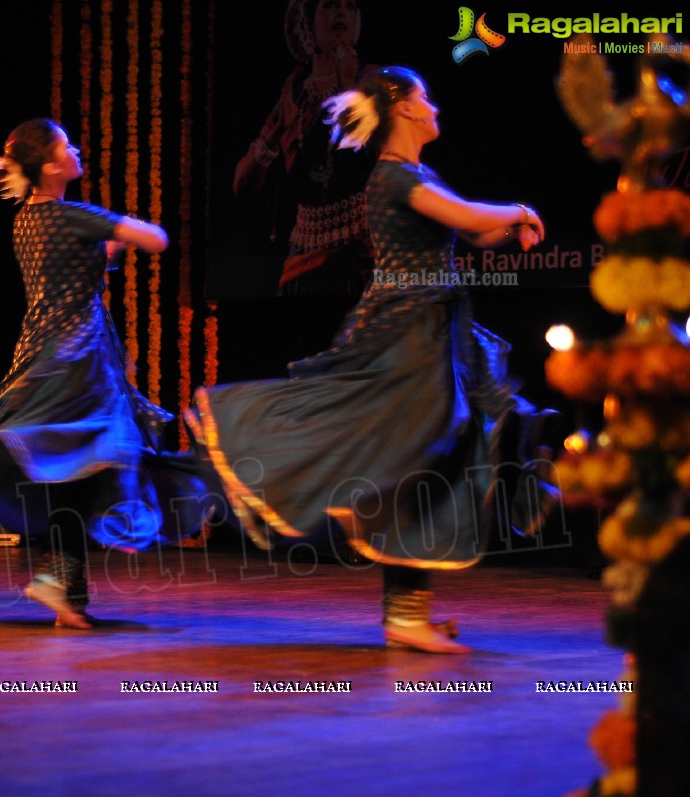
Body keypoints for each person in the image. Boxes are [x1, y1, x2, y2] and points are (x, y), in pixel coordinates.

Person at [187, 67, 558, 653]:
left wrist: (510, 230)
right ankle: (243, 430)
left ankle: (406, 613)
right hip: (406, 333)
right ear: (406, 110)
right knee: (410, 458)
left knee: (426, 467)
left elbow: (468, 230)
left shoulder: (415, 176)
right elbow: (465, 216)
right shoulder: (391, 176)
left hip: (432, 329)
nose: (434, 107)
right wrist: (513, 208)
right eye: (425, 98)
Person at [0, 119, 205, 629]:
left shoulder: (28, 221)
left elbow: (79, 263)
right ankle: (61, 578)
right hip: (77, 358)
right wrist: (118, 224)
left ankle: (65, 587)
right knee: (90, 458)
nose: (76, 149)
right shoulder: (73, 214)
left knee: (70, 465)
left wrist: (106, 247)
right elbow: (157, 240)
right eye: (67, 146)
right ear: (52, 166)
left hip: (41, 352)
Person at [233, 0, 375, 297]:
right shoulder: (295, 90)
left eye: (350, 6)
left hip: (362, 251)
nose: (341, 12)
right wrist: (279, 130)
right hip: (303, 254)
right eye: (330, 5)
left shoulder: (371, 81)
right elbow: (241, 186)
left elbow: (369, 153)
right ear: (307, 25)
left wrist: (348, 85)